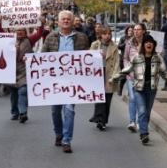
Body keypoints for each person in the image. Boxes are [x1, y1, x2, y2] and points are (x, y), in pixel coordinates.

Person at [111, 35, 167, 144]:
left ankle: (143, 128)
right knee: (142, 110)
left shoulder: (158, 58)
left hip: (151, 88)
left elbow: (164, 73)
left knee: (147, 112)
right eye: (147, 42)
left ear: (153, 45)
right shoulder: (137, 57)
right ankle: (144, 133)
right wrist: (114, 79)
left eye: (151, 42)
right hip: (139, 88)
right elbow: (125, 71)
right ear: (143, 45)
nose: (149, 44)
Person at [41, 10, 89, 153]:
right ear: (58, 22)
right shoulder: (51, 37)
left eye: (69, 19)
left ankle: (66, 140)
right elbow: (43, 57)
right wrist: (31, 60)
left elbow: (88, 57)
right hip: (55, 81)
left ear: (73, 21)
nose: (66, 21)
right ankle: (58, 134)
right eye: (63, 19)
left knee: (69, 111)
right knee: (55, 111)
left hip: (72, 82)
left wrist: (98, 57)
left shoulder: (81, 38)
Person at [89, 25, 120, 131]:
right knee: (99, 97)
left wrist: (114, 77)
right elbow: (89, 58)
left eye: (109, 34)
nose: (107, 36)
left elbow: (117, 62)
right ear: (101, 35)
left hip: (109, 73)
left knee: (107, 98)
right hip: (98, 72)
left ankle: (103, 119)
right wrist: (98, 56)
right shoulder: (95, 44)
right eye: (105, 34)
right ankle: (99, 120)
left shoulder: (114, 46)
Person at [123, 23, 147, 131]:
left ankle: (139, 121)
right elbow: (125, 58)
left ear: (143, 31)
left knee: (141, 99)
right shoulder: (129, 43)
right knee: (132, 98)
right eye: (135, 29)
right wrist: (128, 69)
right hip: (131, 76)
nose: (135, 31)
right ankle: (132, 121)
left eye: (138, 29)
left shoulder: (148, 42)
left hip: (144, 76)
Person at [117, 25, 134, 96]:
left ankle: (130, 91)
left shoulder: (135, 39)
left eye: (132, 30)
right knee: (124, 76)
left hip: (132, 60)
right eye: (129, 30)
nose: (131, 32)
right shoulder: (123, 38)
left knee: (131, 76)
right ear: (127, 31)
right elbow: (119, 47)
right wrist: (125, 43)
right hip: (123, 60)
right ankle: (120, 89)